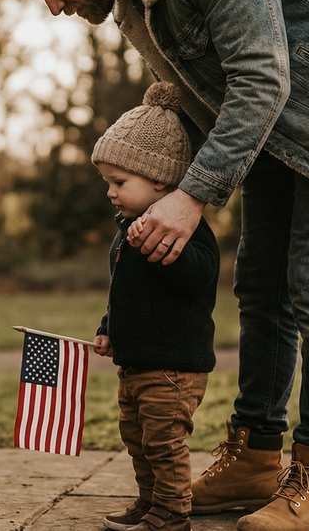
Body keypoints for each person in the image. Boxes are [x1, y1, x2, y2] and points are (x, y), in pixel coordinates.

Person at [0, 0, 309, 531]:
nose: (54, 7)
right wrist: (153, 181)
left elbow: (260, 78)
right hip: (276, 120)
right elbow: (192, 99)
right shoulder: (136, 6)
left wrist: (193, 197)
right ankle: (254, 454)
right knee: (258, 285)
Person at [91, 81, 220, 531]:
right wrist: (108, 326)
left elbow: (202, 279)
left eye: (119, 182)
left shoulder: (185, 231)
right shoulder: (128, 227)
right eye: (108, 182)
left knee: (165, 441)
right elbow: (122, 290)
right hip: (136, 362)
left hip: (173, 366)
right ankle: (148, 501)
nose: (110, 192)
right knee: (137, 439)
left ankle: (172, 511)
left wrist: (164, 251)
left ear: (161, 179)